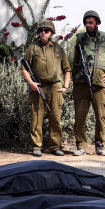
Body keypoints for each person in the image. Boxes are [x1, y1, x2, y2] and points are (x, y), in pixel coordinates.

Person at [71, 10, 105, 156]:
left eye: (91, 22)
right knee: (80, 116)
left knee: (101, 116)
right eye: (86, 23)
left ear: (97, 23)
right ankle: (81, 145)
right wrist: (74, 81)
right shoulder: (80, 39)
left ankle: (99, 144)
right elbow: (75, 62)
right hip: (81, 85)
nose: (88, 25)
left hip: (99, 85)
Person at [21, 19, 71, 157]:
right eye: (41, 31)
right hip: (38, 87)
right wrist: (31, 83)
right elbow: (24, 68)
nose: (43, 33)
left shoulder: (58, 49)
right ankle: (36, 146)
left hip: (55, 87)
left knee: (55, 117)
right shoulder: (33, 48)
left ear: (51, 33)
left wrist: (65, 86)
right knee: (36, 117)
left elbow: (67, 69)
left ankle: (55, 146)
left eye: (46, 31)